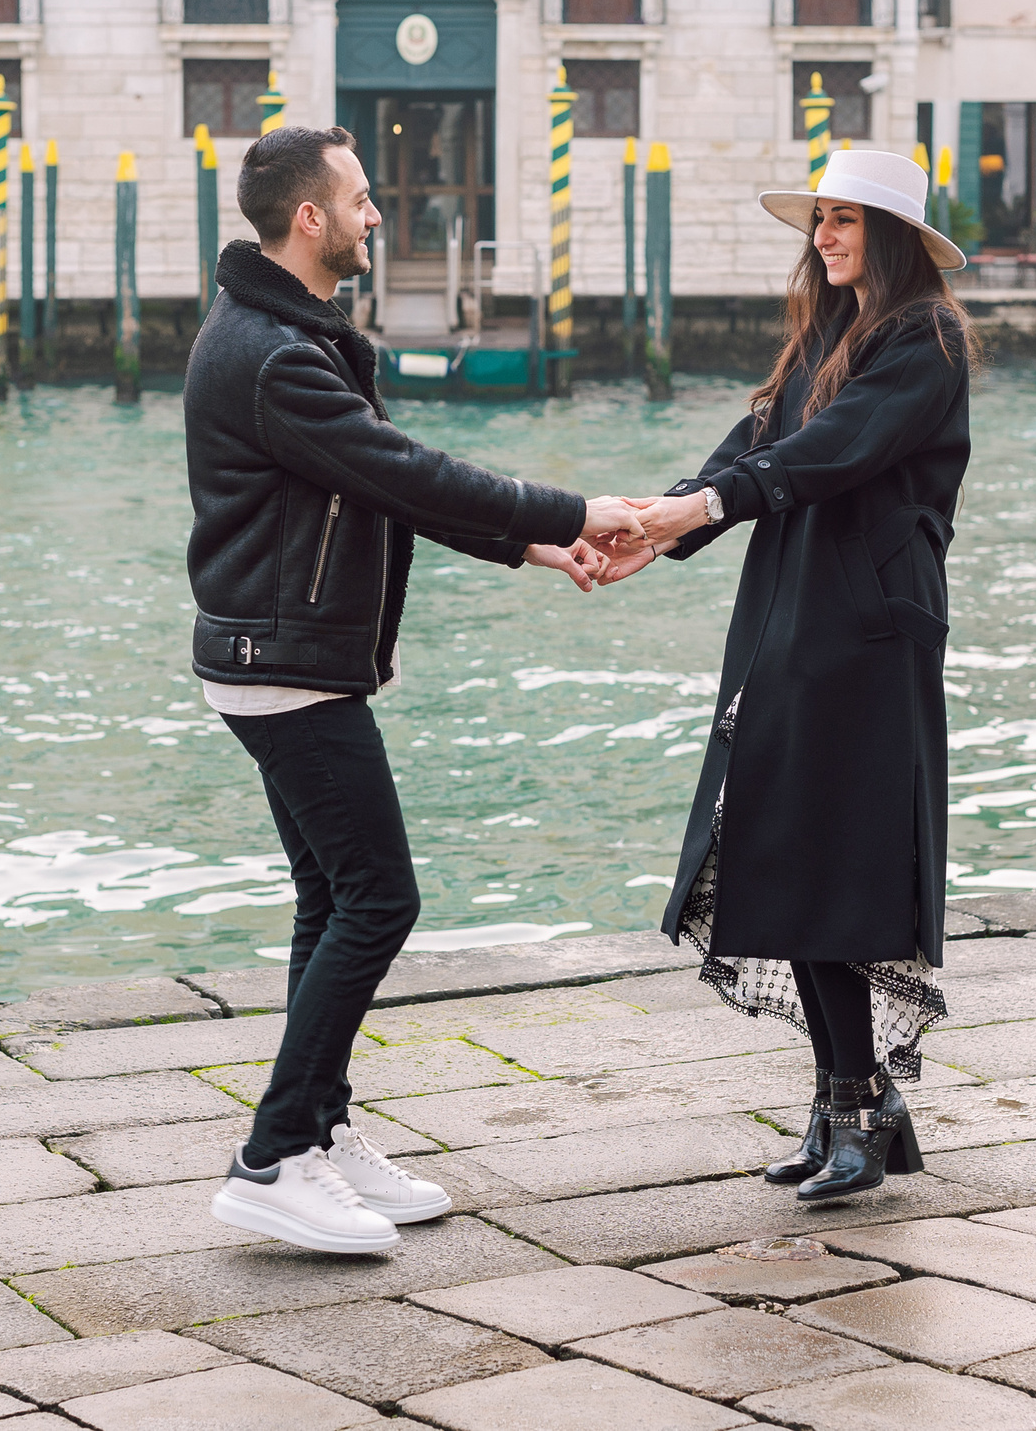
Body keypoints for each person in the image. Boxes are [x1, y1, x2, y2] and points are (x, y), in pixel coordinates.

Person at [184, 124, 646, 1255]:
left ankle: (320, 1133)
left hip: (270, 655)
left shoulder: (283, 336)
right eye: (357, 198)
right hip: (285, 664)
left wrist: (524, 549)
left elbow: (374, 482)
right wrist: (570, 510)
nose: (375, 215)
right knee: (380, 901)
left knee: (331, 902)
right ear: (309, 218)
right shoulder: (276, 355)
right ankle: (271, 1157)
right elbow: (403, 469)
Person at [605, 146, 977, 1201]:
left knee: (843, 871)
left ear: (893, 235)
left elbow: (835, 453)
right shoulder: (828, 334)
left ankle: (856, 1110)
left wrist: (700, 508)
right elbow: (758, 442)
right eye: (819, 217)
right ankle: (844, 1102)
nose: (825, 234)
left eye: (847, 219)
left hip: (863, 635)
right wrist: (654, 524)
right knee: (791, 852)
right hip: (790, 615)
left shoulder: (925, 341)